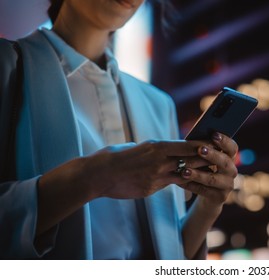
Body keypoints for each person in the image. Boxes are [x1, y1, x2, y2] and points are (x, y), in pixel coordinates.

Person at [0, 0, 238, 259]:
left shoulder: (158, 104)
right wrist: (95, 176)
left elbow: (170, 258)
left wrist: (209, 205)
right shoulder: (7, 67)